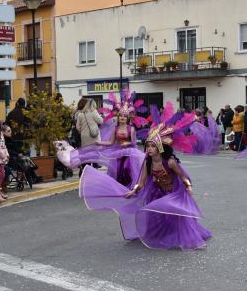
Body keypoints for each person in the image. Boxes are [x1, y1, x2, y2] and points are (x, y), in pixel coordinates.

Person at [79, 103, 211, 249]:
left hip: (171, 192)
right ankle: (160, 235)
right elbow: (141, 182)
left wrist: (189, 187)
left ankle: (184, 237)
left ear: (159, 148)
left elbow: (183, 176)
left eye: (152, 146)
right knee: (155, 213)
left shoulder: (170, 162)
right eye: (147, 146)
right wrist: (133, 191)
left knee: (175, 216)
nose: (148, 149)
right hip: (156, 192)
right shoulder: (147, 163)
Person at [58, 91, 146, 186]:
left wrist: (127, 144)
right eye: (121, 116)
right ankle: (120, 188)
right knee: (118, 172)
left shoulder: (131, 129)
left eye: (125, 116)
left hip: (129, 155)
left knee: (127, 171)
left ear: (128, 118)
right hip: (118, 155)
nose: (122, 118)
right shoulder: (115, 129)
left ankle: (130, 187)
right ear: (118, 117)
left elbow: (133, 143)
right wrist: (100, 143)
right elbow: (111, 142)